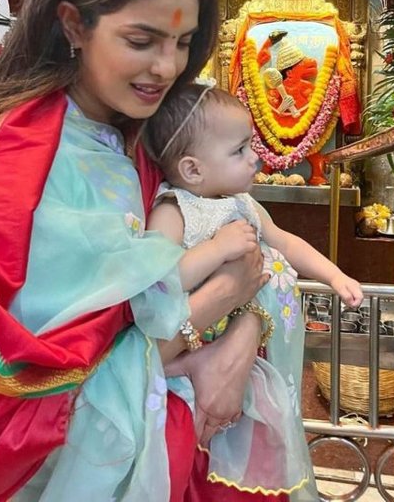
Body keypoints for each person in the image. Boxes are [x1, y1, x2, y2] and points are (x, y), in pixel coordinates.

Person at [0, 0, 273, 502]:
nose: (167, 67)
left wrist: (245, 329)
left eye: (182, 42)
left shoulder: (143, 136)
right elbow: (42, 372)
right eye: (141, 41)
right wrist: (226, 304)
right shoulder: (21, 162)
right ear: (73, 25)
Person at [144, 82, 364, 497]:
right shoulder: (172, 210)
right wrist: (215, 251)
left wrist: (335, 276)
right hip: (189, 360)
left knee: (253, 440)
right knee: (201, 456)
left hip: (247, 355)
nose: (254, 159)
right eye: (240, 150)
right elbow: (162, 278)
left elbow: (286, 242)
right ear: (192, 168)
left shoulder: (244, 204)